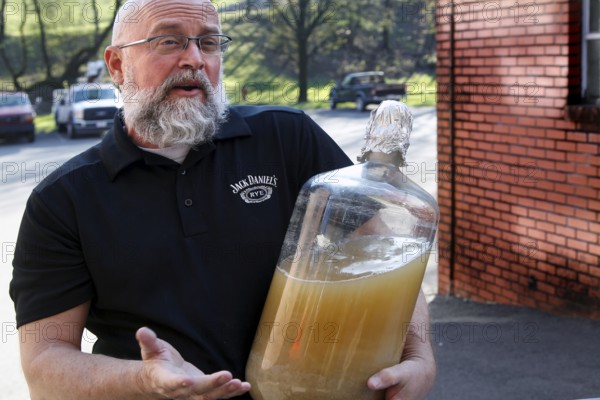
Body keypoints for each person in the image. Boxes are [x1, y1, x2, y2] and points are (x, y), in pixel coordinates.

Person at [9, 0, 436, 399]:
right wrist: (144, 380)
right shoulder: (64, 201)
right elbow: (45, 363)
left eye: (209, 43)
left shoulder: (287, 137)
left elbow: (385, 255)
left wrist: (419, 357)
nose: (195, 58)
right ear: (118, 65)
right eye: (170, 40)